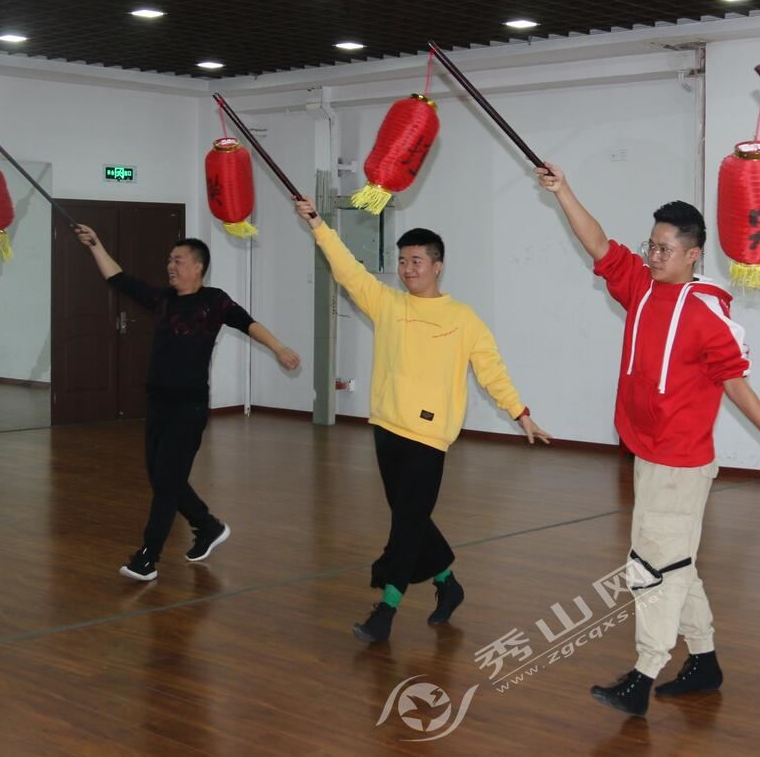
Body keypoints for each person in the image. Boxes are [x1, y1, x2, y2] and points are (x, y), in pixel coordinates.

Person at [536, 162, 760, 718]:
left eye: (664, 249)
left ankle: (643, 674)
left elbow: (735, 383)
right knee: (675, 562)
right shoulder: (641, 286)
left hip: (681, 463)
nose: (652, 255)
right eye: (651, 245)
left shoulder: (706, 312)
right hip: (646, 452)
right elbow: (598, 242)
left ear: (692, 254)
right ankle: (705, 661)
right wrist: (564, 190)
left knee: (651, 567)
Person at [291, 196, 551, 643]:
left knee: (407, 523)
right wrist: (318, 224)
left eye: (416, 261)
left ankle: (387, 609)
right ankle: (447, 584)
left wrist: (519, 412)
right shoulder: (387, 304)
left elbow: (491, 370)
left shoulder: (462, 318)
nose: (407, 269)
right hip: (386, 428)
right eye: (402, 261)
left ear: (437, 266)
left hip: (429, 437)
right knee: (410, 516)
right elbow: (349, 270)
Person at [76, 225, 300, 581]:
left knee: (167, 482)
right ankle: (207, 526)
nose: (170, 266)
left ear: (198, 266)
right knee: (163, 477)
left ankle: (147, 558)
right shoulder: (164, 299)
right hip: (157, 402)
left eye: (178, 260)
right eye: (169, 260)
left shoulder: (214, 301)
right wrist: (95, 245)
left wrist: (279, 347)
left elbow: (248, 324)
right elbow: (120, 279)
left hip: (188, 407)